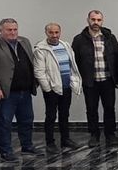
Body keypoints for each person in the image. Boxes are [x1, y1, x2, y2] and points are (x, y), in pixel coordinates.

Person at [0, 17, 37, 161]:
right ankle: (6, 151)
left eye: (15, 29)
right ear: (1, 30)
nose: (13, 32)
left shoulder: (24, 41)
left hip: (25, 90)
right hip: (5, 92)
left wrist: (35, 82)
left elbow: (31, 62)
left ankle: (27, 146)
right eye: (9, 30)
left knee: (27, 120)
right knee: (5, 122)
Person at [72, 10, 118, 147]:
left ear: (102, 21)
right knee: (91, 109)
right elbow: (74, 61)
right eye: (93, 19)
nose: (96, 22)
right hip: (90, 81)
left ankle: (110, 134)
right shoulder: (79, 39)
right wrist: (77, 79)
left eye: (99, 20)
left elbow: (117, 57)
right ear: (88, 20)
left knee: (109, 108)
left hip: (107, 79)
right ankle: (94, 134)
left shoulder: (110, 37)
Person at [34, 22, 83, 151]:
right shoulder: (41, 49)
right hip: (52, 89)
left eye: (57, 32)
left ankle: (65, 139)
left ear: (60, 32)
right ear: (46, 33)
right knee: (51, 116)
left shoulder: (65, 45)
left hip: (66, 87)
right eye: (51, 32)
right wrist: (47, 88)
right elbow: (39, 72)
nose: (54, 35)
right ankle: (50, 143)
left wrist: (73, 81)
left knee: (64, 114)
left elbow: (72, 65)